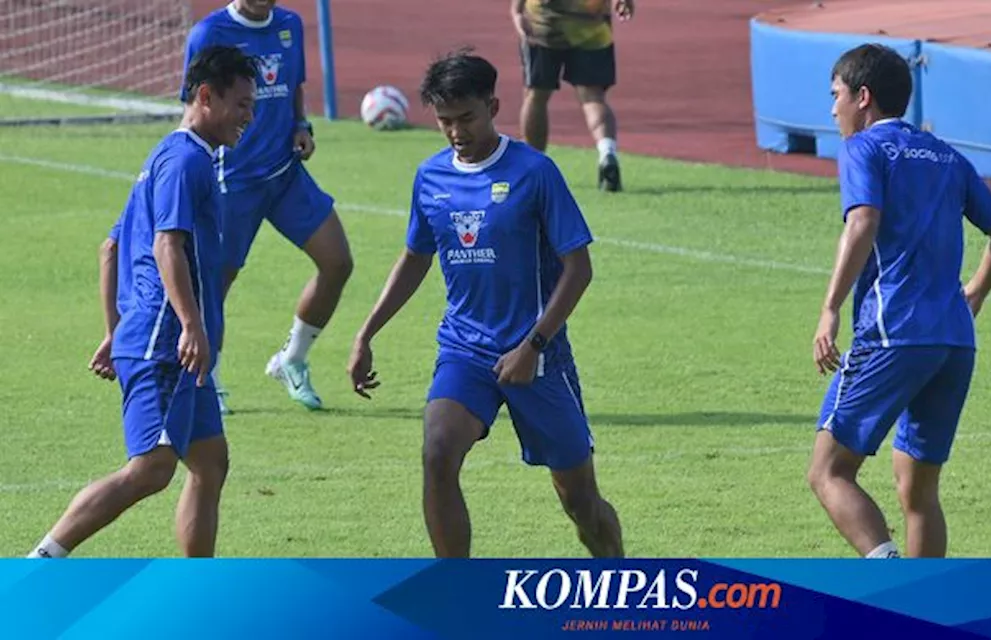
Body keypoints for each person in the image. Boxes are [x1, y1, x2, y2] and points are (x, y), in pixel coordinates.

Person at [346, 49, 624, 558]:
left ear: (494, 106)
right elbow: (414, 257)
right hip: (464, 351)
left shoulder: (535, 172)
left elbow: (578, 268)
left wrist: (534, 344)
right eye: (444, 121)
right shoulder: (430, 178)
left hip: (537, 358)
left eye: (466, 118)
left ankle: (620, 588)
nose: (456, 131)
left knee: (581, 503)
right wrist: (367, 333)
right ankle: (459, 599)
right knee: (437, 453)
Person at [27, 45, 257, 559]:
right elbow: (165, 244)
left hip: (155, 336)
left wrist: (114, 331)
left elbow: (110, 249)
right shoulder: (187, 160)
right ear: (205, 95)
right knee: (150, 469)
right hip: (166, 341)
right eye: (242, 103)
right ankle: (39, 564)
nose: (249, 117)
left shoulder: (162, 157)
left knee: (210, 461)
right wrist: (191, 325)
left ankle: (195, 586)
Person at [808, 44, 991, 559]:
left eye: (835, 95)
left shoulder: (863, 148)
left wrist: (831, 307)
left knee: (828, 472)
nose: (832, 108)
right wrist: (976, 291)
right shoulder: (947, 155)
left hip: (892, 334)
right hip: (953, 340)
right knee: (918, 490)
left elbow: (862, 222)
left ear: (863, 97)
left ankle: (894, 584)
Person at [184, 0, 355, 413]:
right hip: (232, 182)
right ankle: (208, 377)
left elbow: (293, 87)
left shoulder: (290, 25)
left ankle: (291, 360)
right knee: (213, 287)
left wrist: (301, 126)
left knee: (338, 263)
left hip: (285, 175)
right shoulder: (208, 34)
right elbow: (192, 107)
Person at [511, 0, 634, 192]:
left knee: (536, 94)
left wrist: (517, 9)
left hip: (544, 21)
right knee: (593, 97)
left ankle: (534, 167)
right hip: (590, 20)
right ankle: (607, 152)